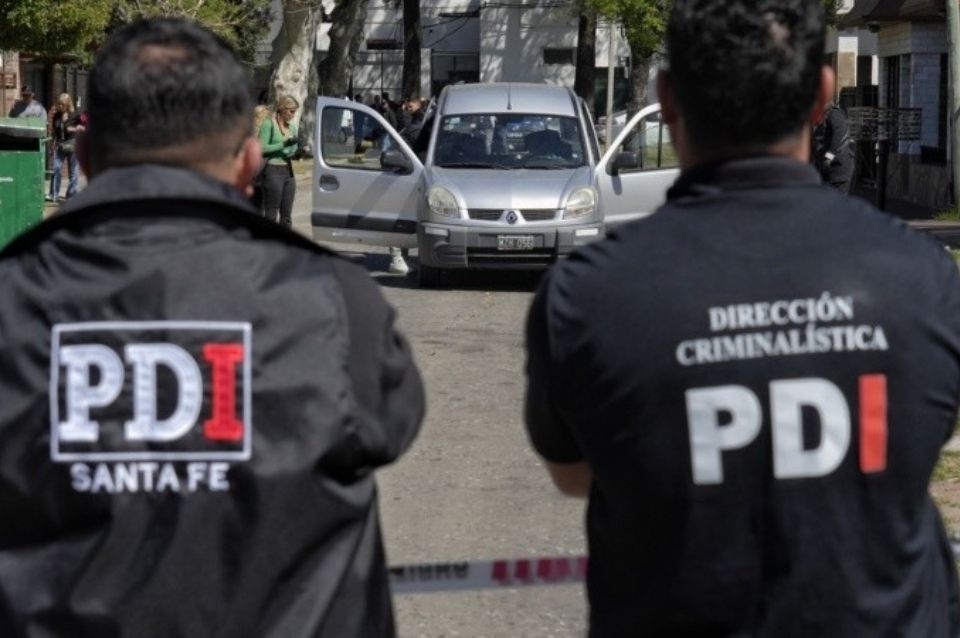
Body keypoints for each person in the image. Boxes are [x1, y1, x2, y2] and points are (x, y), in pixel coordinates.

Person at [524, 0, 960, 636]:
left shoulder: (587, 296)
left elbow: (574, 473)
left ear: (667, 98)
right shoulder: (922, 278)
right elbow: (922, 439)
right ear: (822, 95)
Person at [0, 17, 424, 637]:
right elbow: (392, 424)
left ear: (84, 157)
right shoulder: (334, 303)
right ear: (249, 163)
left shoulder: (13, 297)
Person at [258, 94, 299, 227]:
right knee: (271, 214)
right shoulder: (269, 124)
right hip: (273, 170)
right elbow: (261, 148)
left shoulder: (292, 127)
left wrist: (296, 149)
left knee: (286, 216)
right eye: (291, 111)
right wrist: (284, 144)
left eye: (295, 112)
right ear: (282, 109)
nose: (293, 115)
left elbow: (292, 148)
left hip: (288, 171)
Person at [47, 92, 84, 202]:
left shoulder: (75, 115)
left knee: (73, 171)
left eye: (62, 104)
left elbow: (83, 125)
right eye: (59, 104)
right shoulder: (56, 115)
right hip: (60, 144)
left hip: (73, 144)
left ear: (68, 104)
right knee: (56, 168)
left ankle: (71, 194)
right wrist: (52, 146)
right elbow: (54, 132)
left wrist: (76, 129)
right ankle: (54, 194)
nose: (60, 106)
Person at [812, 101, 854, 193]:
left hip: (837, 169)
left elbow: (838, 135)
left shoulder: (834, 114)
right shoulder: (821, 117)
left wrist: (828, 157)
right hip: (826, 171)